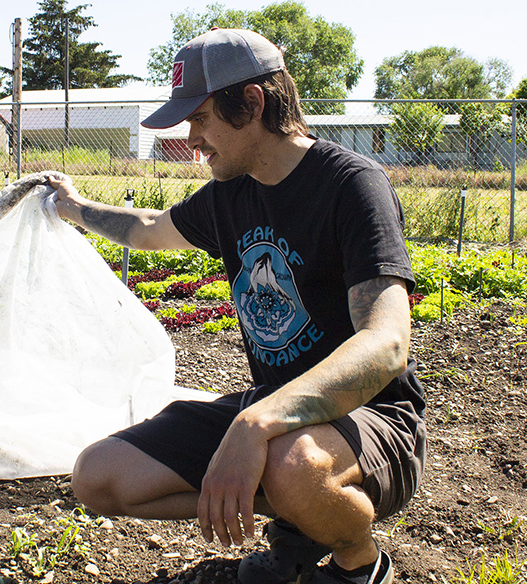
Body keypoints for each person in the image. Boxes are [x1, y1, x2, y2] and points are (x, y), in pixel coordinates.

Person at [49, 28, 425, 584]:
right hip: (272, 414)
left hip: (371, 415)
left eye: (200, 118)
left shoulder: (351, 185)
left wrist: (256, 425)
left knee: (291, 463)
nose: (193, 139)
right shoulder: (231, 193)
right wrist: (74, 207)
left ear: (251, 103)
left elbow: (387, 344)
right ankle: (297, 521)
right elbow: (152, 228)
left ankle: (356, 561)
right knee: (99, 477)